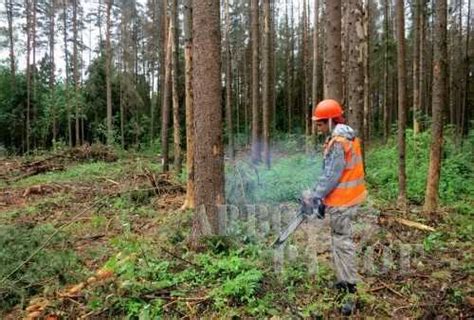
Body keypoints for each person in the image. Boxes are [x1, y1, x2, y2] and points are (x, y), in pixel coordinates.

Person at [302, 99, 367, 316]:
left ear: (330, 120)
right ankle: (342, 282)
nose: (318, 127)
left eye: (320, 123)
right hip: (347, 199)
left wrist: (315, 196)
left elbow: (332, 175)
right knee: (338, 241)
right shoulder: (347, 136)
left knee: (342, 243)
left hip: (344, 202)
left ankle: (349, 290)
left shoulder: (339, 142)